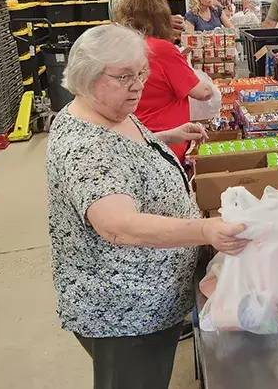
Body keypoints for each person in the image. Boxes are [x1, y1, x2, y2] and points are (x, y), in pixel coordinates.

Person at [47, 24, 249, 389]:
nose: (138, 84)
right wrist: (204, 230)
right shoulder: (86, 149)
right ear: (87, 77)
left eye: (141, 72)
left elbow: (126, 155)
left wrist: (164, 137)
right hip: (125, 312)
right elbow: (117, 225)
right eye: (125, 76)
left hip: (152, 296)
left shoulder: (108, 111)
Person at [114, 0, 214, 162]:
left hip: (134, 136)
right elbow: (202, 93)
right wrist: (189, 69)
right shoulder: (161, 49)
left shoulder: (121, 47)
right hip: (168, 142)